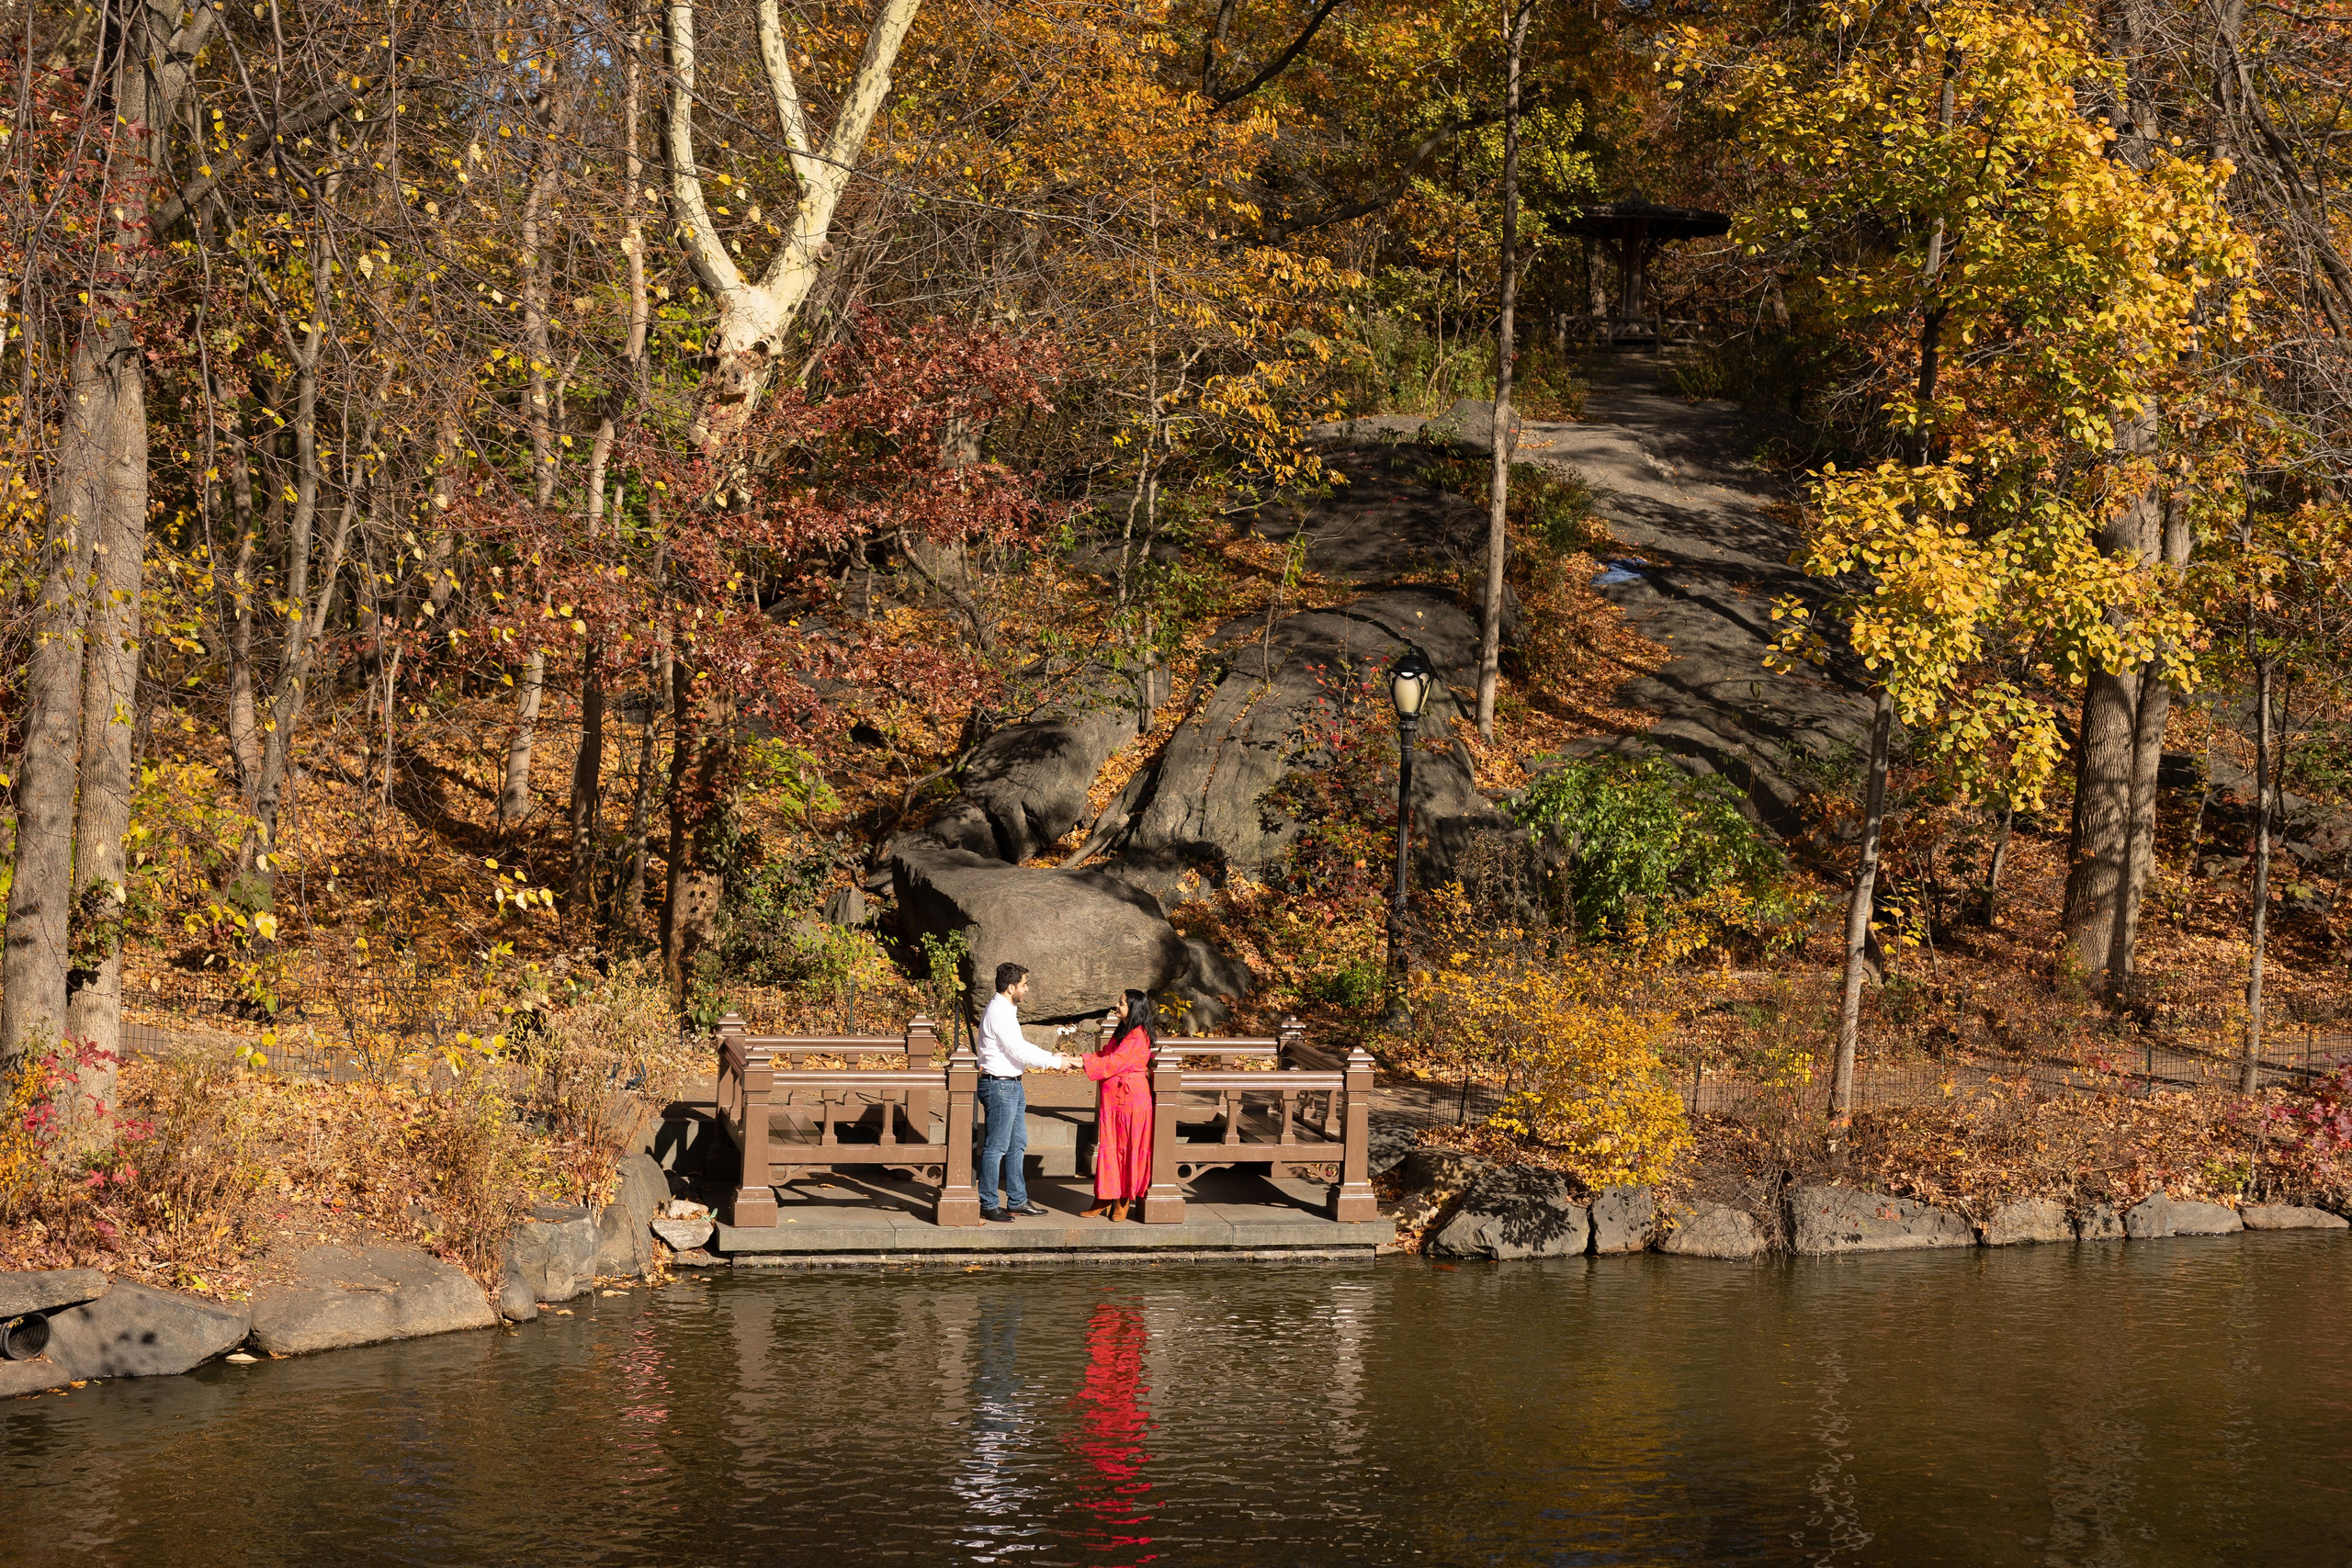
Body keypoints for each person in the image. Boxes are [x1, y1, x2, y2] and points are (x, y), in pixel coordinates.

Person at [975, 962, 1075, 1222]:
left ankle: (1017, 1200)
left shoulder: (1005, 1009)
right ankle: (987, 1203)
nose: (1026, 989)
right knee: (995, 1147)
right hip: (999, 1086)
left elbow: (1020, 1046)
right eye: (1024, 985)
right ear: (1011, 987)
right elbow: (1018, 1051)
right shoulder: (998, 1012)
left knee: (1017, 1145)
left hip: (1012, 1084)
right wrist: (1055, 1063)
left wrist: (1051, 1056)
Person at [1082, 989, 1158, 1223]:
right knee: (1110, 1146)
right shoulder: (1123, 1031)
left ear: (1134, 1008)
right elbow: (1105, 1054)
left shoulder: (1137, 1035)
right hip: (1115, 1101)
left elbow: (1114, 1062)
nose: (1116, 1005)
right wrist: (1081, 1059)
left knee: (1128, 1148)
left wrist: (1083, 1062)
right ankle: (1105, 1195)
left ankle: (1124, 1197)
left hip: (1132, 1102)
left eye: (1122, 1003)